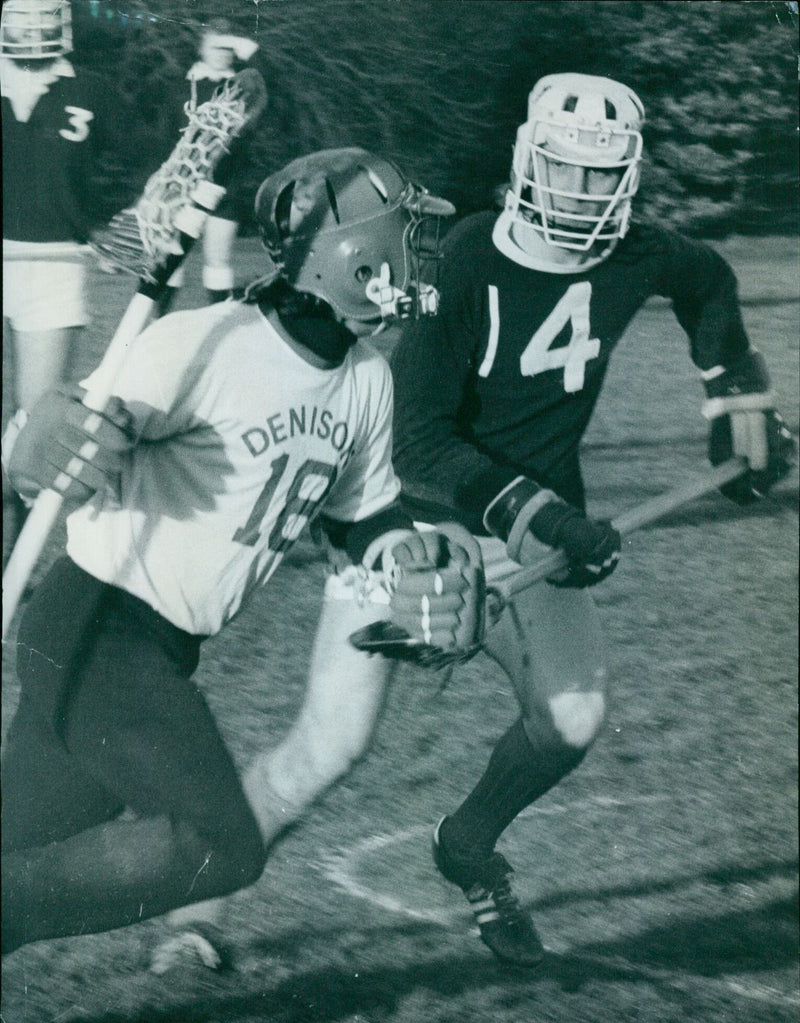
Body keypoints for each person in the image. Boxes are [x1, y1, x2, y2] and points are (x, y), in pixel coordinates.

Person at [1, 147, 476, 957]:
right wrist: (27, 442)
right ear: (352, 256)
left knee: (14, 839)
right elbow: (62, 445)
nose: (416, 255)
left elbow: (362, 513)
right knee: (223, 843)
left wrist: (406, 559)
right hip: (97, 626)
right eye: (401, 237)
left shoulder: (365, 378)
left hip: (159, 647)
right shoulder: (205, 345)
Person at [387, 72, 796, 966]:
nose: (582, 193)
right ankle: (195, 919)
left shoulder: (635, 251)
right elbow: (415, 441)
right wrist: (544, 518)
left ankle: (466, 847)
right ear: (529, 160)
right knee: (334, 736)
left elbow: (708, 278)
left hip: (539, 522)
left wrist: (736, 399)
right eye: (565, 170)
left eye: (602, 177)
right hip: (425, 521)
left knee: (571, 721)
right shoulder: (466, 257)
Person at [1, 0, 134, 561]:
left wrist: (122, 229)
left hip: (55, 272)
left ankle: (14, 568)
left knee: (36, 433)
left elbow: (144, 162)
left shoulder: (93, 91)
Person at [157, 17, 261, 313]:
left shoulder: (243, 88)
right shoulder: (181, 87)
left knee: (218, 261)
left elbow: (269, 87)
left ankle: (217, 322)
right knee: (171, 258)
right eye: (215, 46)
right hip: (181, 185)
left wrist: (252, 52)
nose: (222, 53)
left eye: (228, 47)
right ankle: (160, 325)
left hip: (225, 186)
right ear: (201, 48)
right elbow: (164, 139)